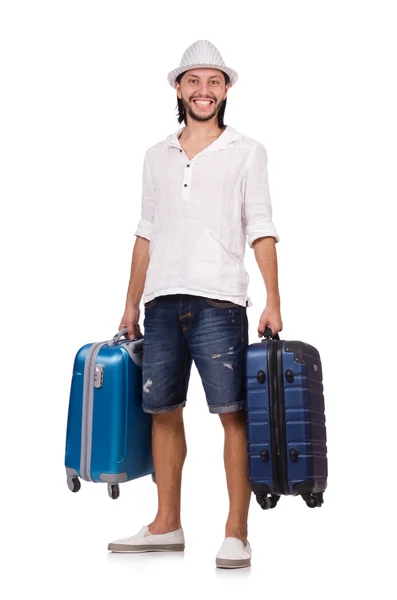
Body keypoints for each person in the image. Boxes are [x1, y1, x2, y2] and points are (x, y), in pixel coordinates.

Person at [108, 40, 283, 569]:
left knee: (233, 415)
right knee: (162, 411)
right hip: (161, 300)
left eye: (213, 82)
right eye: (193, 81)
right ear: (178, 88)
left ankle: (236, 532)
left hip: (219, 299)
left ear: (225, 90)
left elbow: (262, 227)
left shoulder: (247, 150)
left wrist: (274, 298)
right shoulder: (155, 155)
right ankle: (166, 524)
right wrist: (130, 304)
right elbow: (146, 232)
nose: (203, 91)